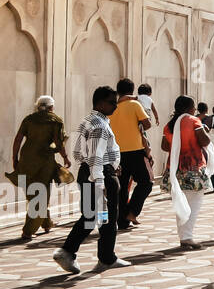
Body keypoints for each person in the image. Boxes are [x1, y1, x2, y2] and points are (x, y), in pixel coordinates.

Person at [53, 86, 129, 274]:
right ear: (100, 103)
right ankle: (105, 258)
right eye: (112, 102)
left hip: (90, 173)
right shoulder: (99, 125)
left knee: (91, 216)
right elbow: (95, 156)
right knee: (108, 218)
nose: (115, 106)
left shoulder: (88, 120)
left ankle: (68, 252)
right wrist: (101, 181)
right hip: (100, 176)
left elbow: (79, 152)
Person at [7, 95, 71, 240]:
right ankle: (28, 230)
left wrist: (15, 158)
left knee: (33, 192)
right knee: (42, 194)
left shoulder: (29, 119)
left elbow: (18, 139)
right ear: (51, 107)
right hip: (44, 161)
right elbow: (58, 142)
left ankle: (47, 223)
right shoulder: (55, 120)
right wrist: (65, 157)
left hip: (26, 159)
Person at [160, 95, 211, 250]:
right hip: (193, 168)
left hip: (176, 169)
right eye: (194, 106)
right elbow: (205, 141)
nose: (195, 109)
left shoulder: (169, 125)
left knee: (180, 203)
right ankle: (187, 237)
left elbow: (164, 146)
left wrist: (178, 148)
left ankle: (183, 237)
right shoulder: (194, 121)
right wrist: (204, 131)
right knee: (194, 204)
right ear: (190, 108)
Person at [108, 78, 152, 231]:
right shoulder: (134, 104)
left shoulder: (112, 108)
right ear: (132, 90)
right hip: (135, 150)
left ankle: (123, 220)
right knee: (146, 183)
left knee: (122, 187)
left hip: (117, 154)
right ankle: (132, 212)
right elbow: (147, 124)